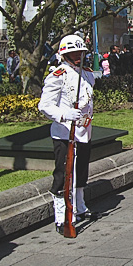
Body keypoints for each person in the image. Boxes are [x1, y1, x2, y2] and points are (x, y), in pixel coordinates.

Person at [38, 34, 98, 234]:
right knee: (63, 174)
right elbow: (44, 106)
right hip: (64, 133)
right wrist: (64, 115)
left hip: (83, 131)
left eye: (80, 52)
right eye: (74, 53)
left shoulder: (88, 74)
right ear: (65, 54)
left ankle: (80, 206)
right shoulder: (58, 75)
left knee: (81, 171)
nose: (78, 56)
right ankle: (61, 214)